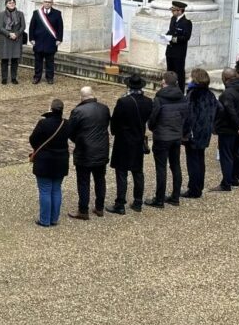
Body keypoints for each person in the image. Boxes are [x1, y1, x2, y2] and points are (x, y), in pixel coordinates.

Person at [107, 74, 153, 214]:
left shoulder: (123, 102)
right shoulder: (148, 101)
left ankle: (120, 204)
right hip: (138, 139)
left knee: (121, 172)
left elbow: (114, 122)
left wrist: (115, 131)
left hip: (123, 141)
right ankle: (138, 202)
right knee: (137, 172)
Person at [66, 86, 111, 220]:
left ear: (81, 97)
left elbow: (70, 131)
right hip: (101, 150)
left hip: (84, 151)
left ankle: (83, 210)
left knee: (83, 181)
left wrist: (78, 140)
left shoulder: (77, 111)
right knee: (100, 180)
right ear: (93, 95)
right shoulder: (104, 109)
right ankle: (99, 207)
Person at [146, 71, 189, 208]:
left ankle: (159, 200)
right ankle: (175, 197)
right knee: (175, 165)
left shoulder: (159, 98)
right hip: (176, 136)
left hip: (162, 137)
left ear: (164, 82)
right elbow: (187, 117)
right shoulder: (183, 98)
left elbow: (153, 118)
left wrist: (152, 128)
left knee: (161, 168)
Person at [29, 99, 70, 227]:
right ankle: (54, 219)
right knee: (56, 189)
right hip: (61, 160)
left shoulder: (43, 123)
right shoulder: (67, 124)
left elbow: (33, 139)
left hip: (45, 160)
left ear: (51, 109)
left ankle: (45, 220)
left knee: (45, 190)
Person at [182, 68, 220, 198]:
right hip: (204, 132)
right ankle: (198, 186)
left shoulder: (193, 94)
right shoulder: (210, 94)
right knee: (200, 160)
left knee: (193, 161)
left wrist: (184, 133)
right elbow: (218, 109)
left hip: (193, 133)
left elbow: (188, 116)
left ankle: (194, 189)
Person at [212, 66, 239, 192]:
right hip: (238, 128)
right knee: (235, 153)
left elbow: (230, 112)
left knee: (226, 155)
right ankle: (235, 179)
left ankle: (226, 183)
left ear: (225, 79)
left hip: (228, 129)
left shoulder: (227, 94)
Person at [27, 0, 63, 85]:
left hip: (51, 41)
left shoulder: (57, 13)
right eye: (46, 2)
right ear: (43, 3)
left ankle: (49, 77)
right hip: (38, 41)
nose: (47, 3)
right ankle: (37, 77)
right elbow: (32, 27)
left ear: (52, 3)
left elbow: (60, 28)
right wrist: (31, 38)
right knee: (38, 61)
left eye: (49, 2)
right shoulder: (36, 13)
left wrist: (59, 39)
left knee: (50, 61)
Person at [0, 0, 26, 86]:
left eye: (13, 2)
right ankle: (4, 78)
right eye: (9, 3)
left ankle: (13, 78)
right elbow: (0, 27)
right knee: (4, 60)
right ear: (6, 4)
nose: (12, 4)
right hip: (5, 39)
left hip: (17, 39)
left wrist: (16, 34)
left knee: (15, 60)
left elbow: (23, 26)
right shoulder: (2, 14)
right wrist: (9, 34)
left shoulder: (20, 14)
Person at [164, 0, 192, 87]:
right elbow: (170, 31)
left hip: (179, 52)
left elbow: (186, 37)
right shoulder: (173, 19)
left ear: (180, 10)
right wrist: (165, 36)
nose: (172, 12)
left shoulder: (186, 22)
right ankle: (169, 90)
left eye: (174, 10)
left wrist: (173, 39)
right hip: (170, 51)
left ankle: (179, 91)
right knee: (170, 73)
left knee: (179, 73)